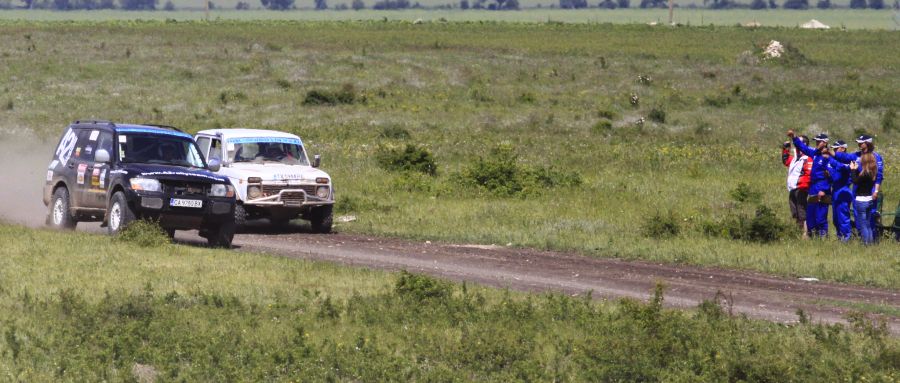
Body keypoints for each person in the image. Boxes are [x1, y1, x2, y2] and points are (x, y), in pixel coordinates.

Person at [832, 134, 884, 241]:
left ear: (867, 143)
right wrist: (830, 153)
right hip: (857, 189)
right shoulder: (856, 155)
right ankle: (863, 238)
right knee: (858, 215)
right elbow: (844, 157)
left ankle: (871, 240)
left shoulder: (876, 157)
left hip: (871, 189)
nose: (859, 144)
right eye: (858, 142)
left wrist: (876, 190)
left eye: (861, 142)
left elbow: (879, 176)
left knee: (870, 216)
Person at [789, 130, 831, 238]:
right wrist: (794, 137)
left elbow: (829, 176)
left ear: (825, 142)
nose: (817, 143)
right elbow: (803, 148)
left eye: (819, 142)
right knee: (811, 214)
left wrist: (824, 189)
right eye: (816, 142)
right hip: (813, 187)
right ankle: (813, 235)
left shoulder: (828, 157)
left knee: (820, 215)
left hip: (822, 187)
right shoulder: (815, 154)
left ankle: (823, 236)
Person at [782, 136, 812, 234]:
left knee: (802, 211)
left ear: (804, 144)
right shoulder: (796, 157)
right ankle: (798, 232)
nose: (795, 144)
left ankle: (805, 234)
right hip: (793, 188)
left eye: (798, 141)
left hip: (801, 188)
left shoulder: (808, 158)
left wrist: (801, 184)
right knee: (795, 212)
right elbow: (786, 161)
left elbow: (808, 173)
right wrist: (786, 149)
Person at [849, 153, 878, 245]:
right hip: (869, 199)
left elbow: (855, 181)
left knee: (863, 225)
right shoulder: (872, 172)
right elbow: (861, 180)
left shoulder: (864, 173)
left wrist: (853, 170)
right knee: (868, 224)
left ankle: (865, 243)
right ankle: (870, 242)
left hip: (861, 200)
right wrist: (857, 170)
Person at [827, 140, 853, 241]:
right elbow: (833, 175)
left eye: (835, 149)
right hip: (835, 190)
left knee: (843, 217)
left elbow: (843, 168)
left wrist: (829, 157)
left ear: (842, 148)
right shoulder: (834, 160)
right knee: (836, 218)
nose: (833, 151)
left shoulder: (847, 160)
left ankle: (846, 238)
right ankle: (839, 237)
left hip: (844, 190)